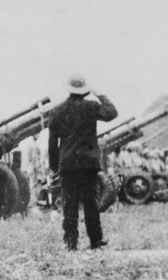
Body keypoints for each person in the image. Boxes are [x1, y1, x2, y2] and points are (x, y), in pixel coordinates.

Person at [48, 74, 118, 251]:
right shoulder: (91, 106)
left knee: (69, 205)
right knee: (91, 203)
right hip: (88, 164)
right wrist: (99, 94)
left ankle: (71, 243)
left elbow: (52, 143)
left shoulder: (56, 111)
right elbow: (112, 113)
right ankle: (96, 241)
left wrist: (54, 167)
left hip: (67, 165)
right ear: (84, 90)